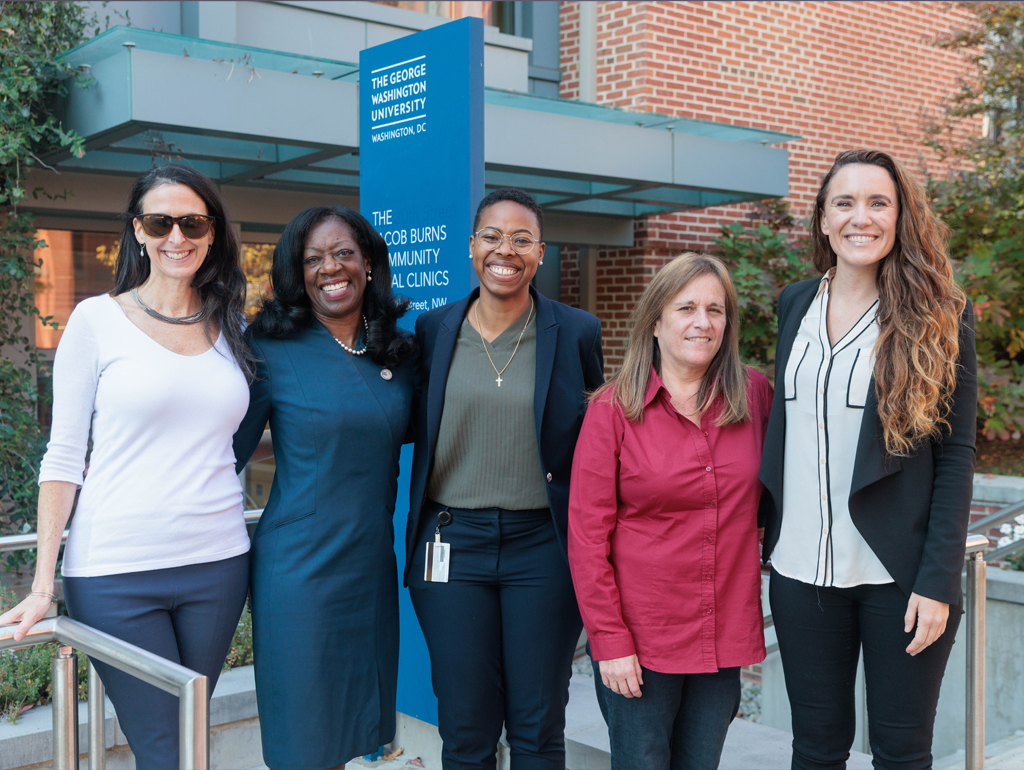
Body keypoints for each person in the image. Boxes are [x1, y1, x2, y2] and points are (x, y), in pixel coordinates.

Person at [0, 165, 255, 768]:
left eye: (192, 222)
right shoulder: (95, 320)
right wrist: (43, 585)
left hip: (217, 566)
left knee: (191, 738)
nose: (176, 236)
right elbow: (62, 457)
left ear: (212, 232)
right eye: (159, 221)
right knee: (165, 750)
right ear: (137, 232)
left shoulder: (234, 325)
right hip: (116, 574)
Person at [759, 149, 977, 770]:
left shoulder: (942, 314)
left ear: (901, 215)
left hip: (900, 577)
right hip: (801, 572)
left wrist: (937, 582)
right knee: (816, 750)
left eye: (878, 202)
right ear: (823, 220)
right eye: (845, 203)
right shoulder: (794, 304)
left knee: (902, 754)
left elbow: (957, 454)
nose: (862, 217)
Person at [406, 187, 604, 770]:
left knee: (538, 727)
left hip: (543, 547)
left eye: (522, 239)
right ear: (471, 247)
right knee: (465, 728)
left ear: (541, 253)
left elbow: (595, 435)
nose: (505, 250)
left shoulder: (576, 331)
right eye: (493, 236)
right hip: (450, 544)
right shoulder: (434, 330)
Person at [568, 252, 772, 770]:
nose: (702, 322)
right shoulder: (612, 409)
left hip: (720, 632)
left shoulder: (753, 395)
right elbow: (587, 538)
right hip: (641, 643)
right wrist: (609, 642)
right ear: (656, 322)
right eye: (686, 308)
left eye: (715, 309)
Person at [232, 205, 416, 770]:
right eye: (313, 259)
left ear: (368, 263)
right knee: (306, 743)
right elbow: (223, 456)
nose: (329, 268)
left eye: (343, 254)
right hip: (299, 573)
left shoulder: (400, 350)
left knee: (348, 733)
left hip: (369, 568)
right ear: (297, 271)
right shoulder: (270, 347)